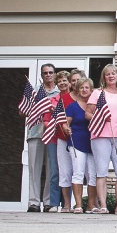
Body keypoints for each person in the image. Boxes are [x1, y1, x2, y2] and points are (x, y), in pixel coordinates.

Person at [86, 64, 117, 215]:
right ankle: (103, 206)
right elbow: (88, 114)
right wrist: (100, 118)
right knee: (101, 171)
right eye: (108, 74)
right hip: (100, 136)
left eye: (113, 73)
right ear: (104, 77)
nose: (111, 76)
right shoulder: (97, 93)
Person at [20, 63, 59, 212]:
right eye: (45, 73)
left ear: (54, 74)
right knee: (34, 169)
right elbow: (22, 112)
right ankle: (33, 202)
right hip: (35, 133)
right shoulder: (35, 91)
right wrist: (32, 108)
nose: (48, 75)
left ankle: (48, 201)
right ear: (42, 75)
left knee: (51, 169)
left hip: (52, 135)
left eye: (50, 72)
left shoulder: (59, 92)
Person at [43, 70, 76, 213]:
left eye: (65, 80)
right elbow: (46, 121)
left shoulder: (75, 98)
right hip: (54, 138)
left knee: (72, 170)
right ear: (57, 83)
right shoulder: (53, 101)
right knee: (56, 171)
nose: (63, 83)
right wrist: (55, 126)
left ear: (69, 83)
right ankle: (54, 202)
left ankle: (68, 203)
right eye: (60, 81)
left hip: (72, 137)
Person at [64, 78, 98, 214]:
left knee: (93, 175)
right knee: (78, 173)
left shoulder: (95, 106)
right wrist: (66, 129)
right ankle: (78, 205)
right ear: (77, 90)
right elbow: (65, 123)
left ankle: (91, 205)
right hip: (76, 142)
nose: (84, 90)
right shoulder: (72, 106)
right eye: (81, 88)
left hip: (93, 143)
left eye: (87, 88)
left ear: (91, 90)